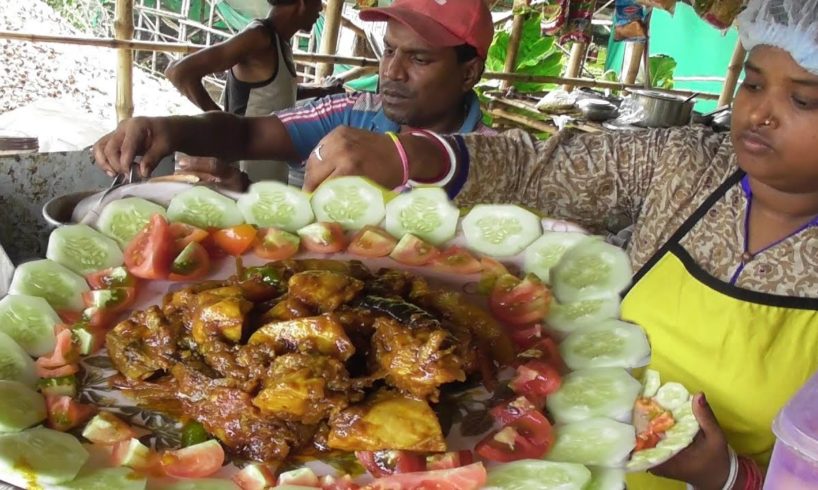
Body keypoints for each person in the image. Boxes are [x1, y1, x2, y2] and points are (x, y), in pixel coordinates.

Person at [292, 0, 818, 488]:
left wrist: (731, 477)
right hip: (573, 455)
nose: (761, 114)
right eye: (752, 85)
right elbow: (539, 170)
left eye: (801, 99)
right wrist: (410, 156)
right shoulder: (688, 166)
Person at [95, 0, 495, 190]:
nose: (391, 71)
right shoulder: (352, 114)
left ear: (469, 73)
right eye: (388, 50)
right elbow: (246, 135)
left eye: (419, 59)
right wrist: (168, 128)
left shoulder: (500, 165)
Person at [164, 0, 336, 183]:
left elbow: (277, 91)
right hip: (247, 166)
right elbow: (178, 72)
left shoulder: (279, 42)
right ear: (302, 3)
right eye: (318, 1)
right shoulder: (258, 37)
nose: (320, 7)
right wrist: (220, 122)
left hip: (269, 162)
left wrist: (321, 90)